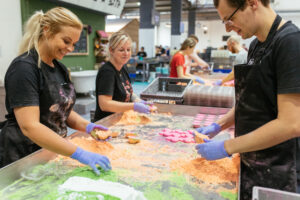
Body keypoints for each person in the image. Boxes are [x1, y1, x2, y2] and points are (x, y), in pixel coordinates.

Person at [195, 0, 300, 199]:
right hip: (252, 156)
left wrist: (227, 147)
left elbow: (291, 124)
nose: (229, 28)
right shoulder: (255, 45)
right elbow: (250, 101)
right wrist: (219, 125)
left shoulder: (290, 43)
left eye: (230, 19)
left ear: (252, 3)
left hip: (278, 166)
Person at [0, 7, 111, 175]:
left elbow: (62, 111)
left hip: (50, 152)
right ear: (47, 30)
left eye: (73, 44)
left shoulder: (60, 69)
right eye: (66, 41)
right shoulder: (24, 68)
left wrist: (87, 126)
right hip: (24, 156)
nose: (70, 48)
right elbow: (30, 126)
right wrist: (78, 153)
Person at [93, 31, 151, 121]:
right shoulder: (107, 72)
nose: (126, 53)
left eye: (128, 50)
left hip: (121, 120)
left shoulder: (123, 68)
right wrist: (133, 106)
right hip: (106, 122)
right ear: (111, 50)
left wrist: (137, 100)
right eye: (121, 50)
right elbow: (105, 104)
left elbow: (127, 92)